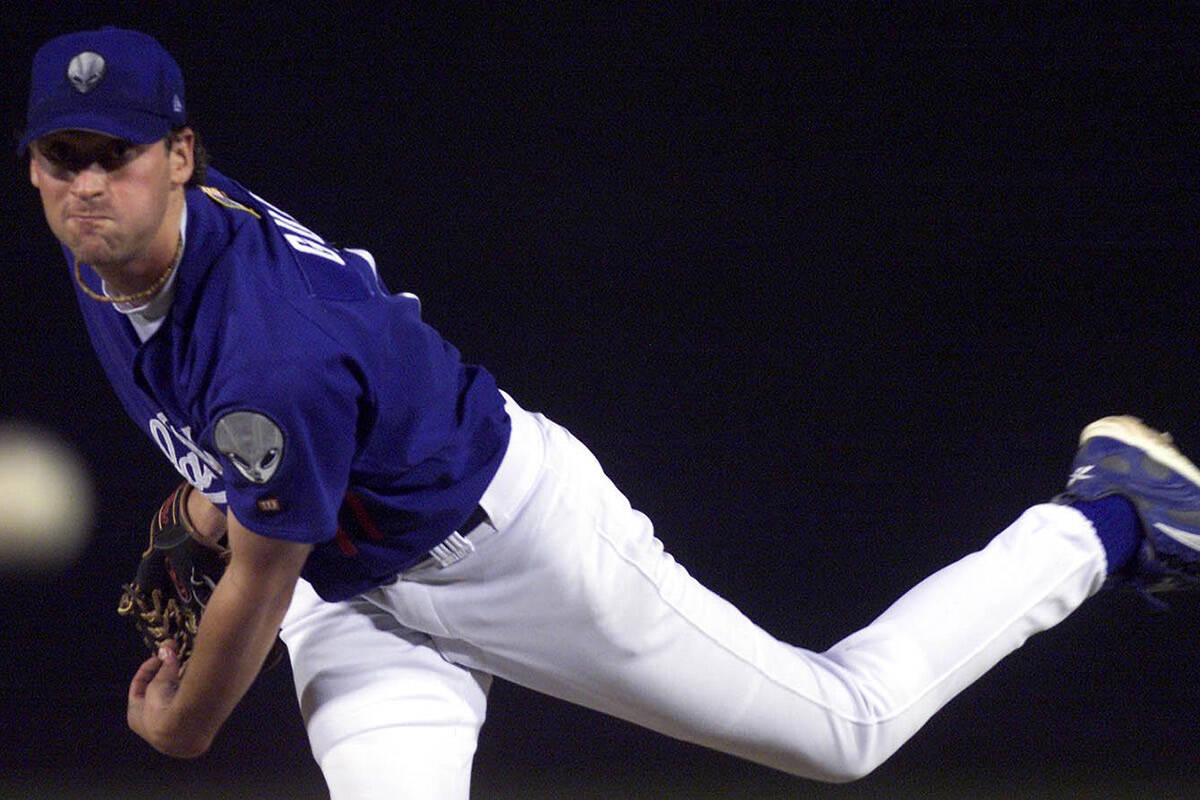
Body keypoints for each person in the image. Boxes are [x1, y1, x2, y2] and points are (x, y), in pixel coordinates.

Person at [21, 26, 1200, 799]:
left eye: (113, 155)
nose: (84, 184)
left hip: (517, 550)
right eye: (58, 156)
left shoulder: (269, 352)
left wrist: (181, 724)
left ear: (181, 154)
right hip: (357, 591)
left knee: (843, 728)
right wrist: (210, 507)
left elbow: (260, 570)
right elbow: (262, 496)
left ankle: (1104, 515)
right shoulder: (111, 252)